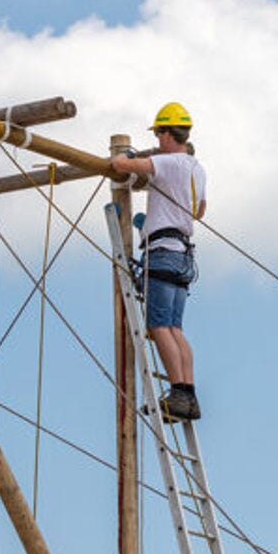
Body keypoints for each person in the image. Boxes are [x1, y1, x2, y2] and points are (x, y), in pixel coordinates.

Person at [111, 102, 208, 420]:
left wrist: (130, 155)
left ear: (167, 133)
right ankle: (188, 394)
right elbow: (200, 210)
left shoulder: (167, 162)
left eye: (159, 134)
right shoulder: (196, 167)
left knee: (157, 326)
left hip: (163, 253)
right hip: (183, 256)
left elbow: (121, 165)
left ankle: (179, 392)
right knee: (175, 328)